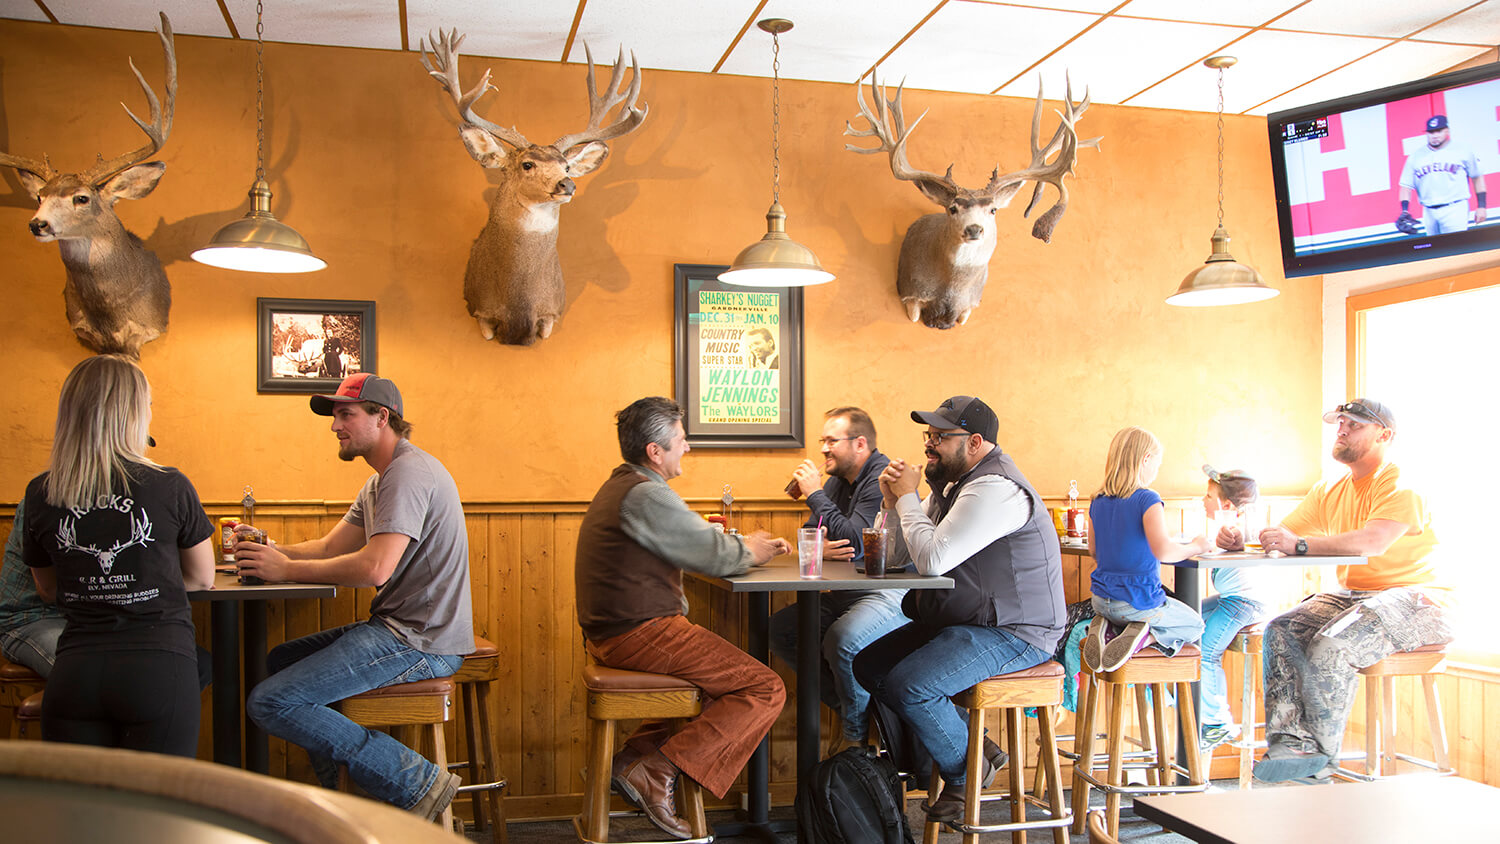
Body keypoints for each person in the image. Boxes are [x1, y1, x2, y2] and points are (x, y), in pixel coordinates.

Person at [241, 373, 474, 821]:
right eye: (335, 416)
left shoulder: (407, 473)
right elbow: (331, 548)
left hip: (421, 642)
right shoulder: (381, 480)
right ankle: (353, 805)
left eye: (345, 414)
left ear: (381, 417)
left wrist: (286, 571)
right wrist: (271, 552)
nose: (334, 426)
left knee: (269, 701)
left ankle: (413, 781)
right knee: (281, 662)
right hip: (400, 630)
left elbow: (374, 568)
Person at [575, 397, 788, 840]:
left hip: (616, 631)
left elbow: (693, 541)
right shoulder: (646, 492)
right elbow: (711, 554)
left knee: (722, 689)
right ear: (656, 451)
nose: (687, 448)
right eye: (682, 440)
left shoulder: (626, 486)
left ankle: (633, 761)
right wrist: (752, 550)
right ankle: (655, 770)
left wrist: (735, 546)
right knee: (764, 687)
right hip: (641, 630)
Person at [852, 395, 1066, 821]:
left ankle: (966, 772)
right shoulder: (953, 487)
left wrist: (909, 498)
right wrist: (893, 505)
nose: (929, 445)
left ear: (975, 442)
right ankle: (975, 746)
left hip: (1019, 631)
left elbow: (931, 559)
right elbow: (895, 558)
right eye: (928, 436)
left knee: (912, 686)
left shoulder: (995, 488)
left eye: (940, 437)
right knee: (870, 665)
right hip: (970, 621)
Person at [1230, 399, 1451, 783]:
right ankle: (1292, 746)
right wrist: (1240, 538)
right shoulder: (1329, 488)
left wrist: (1300, 545)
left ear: (1385, 435)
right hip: (1358, 596)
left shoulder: (1402, 482)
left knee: (1333, 644)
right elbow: (1281, 532)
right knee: (1281, 630)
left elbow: (1372, 542)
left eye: (1355, 425)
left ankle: (1319, 762)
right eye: (1340, 423)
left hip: (1422, 598)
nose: (1342, 429)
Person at [20, 355, 215, 757]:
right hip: (157, 669)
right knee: (158, 814)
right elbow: (201, 578)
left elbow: (48, 587)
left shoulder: (41, 492)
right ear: (133, 414)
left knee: (80, 816)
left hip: (75, 674)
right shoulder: (169, 485)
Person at [768, 406, 899, 751]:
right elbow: (812, 535)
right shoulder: (839, 481)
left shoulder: (880, 478)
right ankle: (861, 710)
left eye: (831, 441)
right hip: (848, 591)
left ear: (859, 444)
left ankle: (855, 738)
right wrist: (822, 543)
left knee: (841, 640)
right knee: (780, 629)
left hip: (888, 593)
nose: (823, 448)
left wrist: (814, 494)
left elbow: (856, 542)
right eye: (822, 440)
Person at [1081, 427, 1211, 674]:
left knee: (1131, 612)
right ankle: (1143, 638)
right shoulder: (1147, 499)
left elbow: (1094, 551)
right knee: (1195, 625)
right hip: (1137, 603)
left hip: (1101, 601)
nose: (1156, 471)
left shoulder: (1097, 500)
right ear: (1146, 459)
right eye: (1157, 464)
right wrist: (1197, 546)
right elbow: (1165, 552)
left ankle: (1108, 628)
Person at [1197, 465, 1274, 749]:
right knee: (1185, 622)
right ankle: (1182, 695)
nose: (1202, 500)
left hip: (1245, 604)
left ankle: (1218, 723)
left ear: (1227, 505)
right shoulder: (1224, 528)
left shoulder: (1240, 528)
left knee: (1205, 651)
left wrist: (1233, 542)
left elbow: (1243, 539)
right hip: (1230, 599)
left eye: (1208, 496)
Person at [1398, 114, 1486, 235]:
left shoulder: (1462, 150)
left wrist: (1481, 206)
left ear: (1447, 131)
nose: (1434, 135)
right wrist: (1404, 211)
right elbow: (1406, 186)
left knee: (1456, 248)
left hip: (1455, 207)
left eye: (1438, 131)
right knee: (1434, 250)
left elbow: (1477, 177)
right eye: (1431, 132)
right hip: (1428, 211)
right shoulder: (1416, 156)